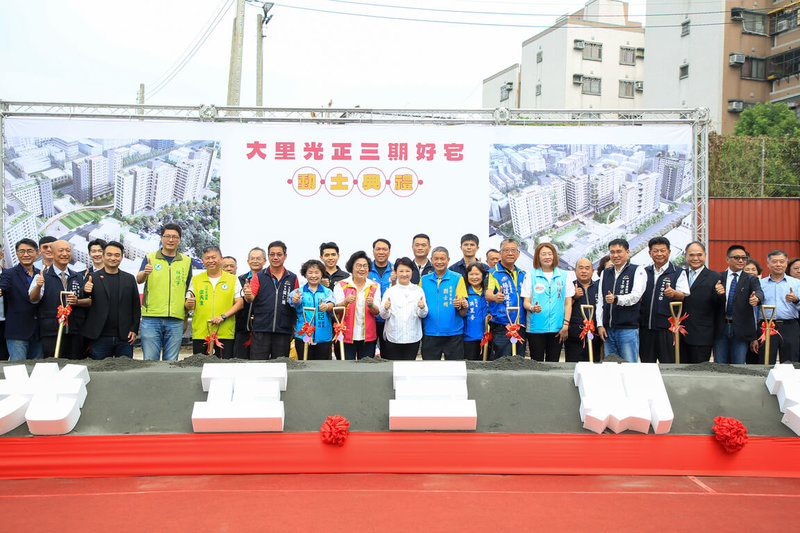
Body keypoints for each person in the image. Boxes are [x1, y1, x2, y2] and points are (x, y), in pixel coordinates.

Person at [137, 223, 192, 361]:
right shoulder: (150, 257)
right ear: (161, 238)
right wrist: (145, 272)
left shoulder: (186, 261)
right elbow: (139, 279)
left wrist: (185, 317)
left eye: (175, 237)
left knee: (171, 362)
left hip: (176, 319)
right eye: (167, 236)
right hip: (151, 318)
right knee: (150, 360)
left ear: (179, 239)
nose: (171, 240)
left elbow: (188, 290)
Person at [29, 240, 90, 359]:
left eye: (68, 250)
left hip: (75, 331)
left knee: (74, 367)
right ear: (52, 253)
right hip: (51, 331)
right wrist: (38, 286)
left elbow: (88, 301)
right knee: (53, 366)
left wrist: (77, 301)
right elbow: (33, 298)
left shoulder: (78, 276)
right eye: (60, 250)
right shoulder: (42, 276)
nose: (65, 254)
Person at [81, 241, 141, 359]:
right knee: (100, 373)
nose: (113, 258)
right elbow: (83, 298)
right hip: (100, 337)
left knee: (125, 372)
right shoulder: (93, 277)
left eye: (117, 255)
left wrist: (134, 329)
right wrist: (86, 290)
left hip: (125, 337)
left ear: (122, 258)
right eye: (109, 254)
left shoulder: (129, 278)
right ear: (103, 256)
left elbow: (135, 306)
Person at [243, 240, 298, 360]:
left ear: (285, 256)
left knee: (280, 367)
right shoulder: (259, 276)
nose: (275, 257)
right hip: (261, 329)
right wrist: (247, 294)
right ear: (268, 257)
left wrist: (297, 300)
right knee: (258, 366)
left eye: (279, 254)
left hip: (283, 330)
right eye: (272, 254)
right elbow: (250, 298)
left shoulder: (292, 277)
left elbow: (295, 302)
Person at [638, 237, 689, 364]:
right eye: (655, 251)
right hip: (646, 328)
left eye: (662, 250)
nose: (659, 254)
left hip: (667, 329)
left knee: (668, 364)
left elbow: (683, 295)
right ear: (650, 253)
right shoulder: (644, 272)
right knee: (646, 366)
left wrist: (674, 293)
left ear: (669, 252)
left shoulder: (678, 272)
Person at [186, 246, 243, 358]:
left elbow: (240, 303)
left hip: (225, 333)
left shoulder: (232, 280)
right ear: (203, 261)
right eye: (207, 258)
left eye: (214, 257)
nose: (211, 261)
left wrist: (223, 316)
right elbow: (188, 304)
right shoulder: (196, 280)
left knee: (224, 369)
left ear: (220, 259)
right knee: (199, 368)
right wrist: (189, 304)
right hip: (201, 332)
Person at [596, 238, 647, 363]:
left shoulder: (637, 270)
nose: (615, 255)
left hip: (627, 329)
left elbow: (635, 296)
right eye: (612, 252)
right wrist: (600, 324)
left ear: (627, 252)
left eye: (619, 251)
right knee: (610, 366)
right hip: (608, 329)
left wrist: (617, 299)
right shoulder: (605, 273)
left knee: (629, 366)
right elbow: (601, 301)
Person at [522, 243, 574, 362]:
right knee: (536, 362)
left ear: (554, 256)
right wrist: (532, 308)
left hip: (557, 328)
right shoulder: (531, 275)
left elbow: (568, 303)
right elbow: (526, 302)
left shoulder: (564, 275)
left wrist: (566, 324)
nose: (547, 257)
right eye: (543, 254)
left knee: (553, 363)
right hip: (535, 328)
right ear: (538, 257)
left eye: (550, 254)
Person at [714, 244, 763, 365]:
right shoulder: (718, 277)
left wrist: (756, 298)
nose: (741, 260)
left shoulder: (751, 279)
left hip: (740, 330)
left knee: (739, 364)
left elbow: (759, 292)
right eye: (736, 257)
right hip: (721, 327)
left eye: (744, 257)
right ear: (727, 259)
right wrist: (717, 293)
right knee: (720, 364)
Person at [754, 250, 800, 364]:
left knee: (790, 363)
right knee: (765, 361)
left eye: (781, 261)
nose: (778, 264)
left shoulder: (796, 283)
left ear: (786, 264)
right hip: (767, 327)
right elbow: (755, 309)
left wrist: (796, 300)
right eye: (774, 262)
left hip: (790, 326)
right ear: (768, 264)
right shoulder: (759, 283)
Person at [334, 251, 381, 359]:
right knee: (347, 368)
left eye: (365, 266)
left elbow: (377, 311)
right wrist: (346, 302)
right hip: (346, 335)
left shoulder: (374, 286)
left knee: (366, 369)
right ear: (351, 268)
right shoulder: (341, 285)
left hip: (368, 336)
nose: (362, 269)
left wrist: (371, 305)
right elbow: (336, 310)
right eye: (358, 266)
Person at [0, 239, 42, 360]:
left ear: (37, 252)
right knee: (18, 370)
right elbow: (3, 287)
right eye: (22, 251)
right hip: (17, 332)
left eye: (29, 251)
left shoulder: (42, 274)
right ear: (17, 253)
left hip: (38, 331)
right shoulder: (9, 274)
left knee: (37, 370)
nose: (26, 255)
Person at [420, 247, 464, 360]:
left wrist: (460, 304)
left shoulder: (457, 278)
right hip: (430, 333)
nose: (439, 262)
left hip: (453, 333)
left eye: (442, 259)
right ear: (431, 260)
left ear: (448, 259)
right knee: (430, 370)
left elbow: (463, 305)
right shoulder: (424, 280)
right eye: (436, 259)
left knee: (454, 370)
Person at [680, 242, 720, 363]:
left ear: (705, 255)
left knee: (698, 372)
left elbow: (719, 305)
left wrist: (720, 294)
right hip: (679, 335)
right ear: (686, 256)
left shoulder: (715, 277)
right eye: (691, 255)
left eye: (699, 255)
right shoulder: (680, 275)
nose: (695, 258)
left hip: (702, 335)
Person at [380, 257, 427, 360]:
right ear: (396, 272)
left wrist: (422, 308)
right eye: (401, 271)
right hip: (393, 337)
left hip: (412, 337)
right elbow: (383, 315)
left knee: (409, 368)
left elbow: (423, 314)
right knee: (394, 368)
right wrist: (386, 308)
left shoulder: (418, 290)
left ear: (412, 272)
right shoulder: (390, 291)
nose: (404, 274)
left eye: (407, 271)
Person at [486, 239, 527, 359]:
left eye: (513, 250)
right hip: (502, 326)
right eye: (506, 250)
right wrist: (495, 297)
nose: (510, 253)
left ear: (518, 253)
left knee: (519, 361)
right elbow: (487, 294)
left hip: (520, 325)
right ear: (500, 253)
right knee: (502, 361)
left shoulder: (523, 274)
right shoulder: (492, 273)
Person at [289, 259, 336, 360]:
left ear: (321, 274)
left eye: (316, 272)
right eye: (310, 272)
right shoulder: (299, 291)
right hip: (303, 336)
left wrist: (327, 306)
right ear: (305, 274)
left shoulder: (327, 292)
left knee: (322, 367)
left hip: (323, 337)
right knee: (304, 365)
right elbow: (293, 302)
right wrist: (296, 300)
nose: (313, 276)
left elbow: (332, 303)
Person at [565, 258, 602, 362]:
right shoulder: (569, 287)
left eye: (587, 268)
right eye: (580, 268)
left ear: (592, 271)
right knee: (574, 368)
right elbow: (562, 308)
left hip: (595, 336)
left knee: (594, 368)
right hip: (574, 336)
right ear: (575, 270)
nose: (584, 271)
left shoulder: (599, 287)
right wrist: (573, 297)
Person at [234, 247, 266, 359]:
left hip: (262, 328)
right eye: (252, 258)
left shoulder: (268, 279)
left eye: (258, 258)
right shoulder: (239, 280)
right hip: (242, 327)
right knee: (240, 360)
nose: (255, 261)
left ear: (265, 261)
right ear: (248, 261)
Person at [458, 261, 489, 361]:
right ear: (466, 276)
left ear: (483, 275)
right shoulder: (464, 293)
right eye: (471, 274)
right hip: (468, 338)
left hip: (486, 338)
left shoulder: (488, 293)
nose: (474, 277)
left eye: (477, 274)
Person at [369, 238, 394, 351]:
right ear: (373, 251)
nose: (381, 252)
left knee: (388, 354)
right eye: (378, 249)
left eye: (384, 249)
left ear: (389, 251)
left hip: (389, 319)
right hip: (370, 319)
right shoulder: (366, 269)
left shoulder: (396, 270)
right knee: (368, 354)